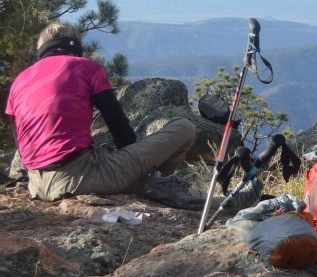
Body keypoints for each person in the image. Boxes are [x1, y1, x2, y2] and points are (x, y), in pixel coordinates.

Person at [4, 22, 199, 205]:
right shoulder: (85, 67)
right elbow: (120, 129)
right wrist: (139, 162)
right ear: (76, 48)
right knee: (184, 127)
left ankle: (149, 186)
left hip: (36, 185)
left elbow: (21, 144)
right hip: (79, 179)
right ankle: (156, 184)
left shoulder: (19, 81)